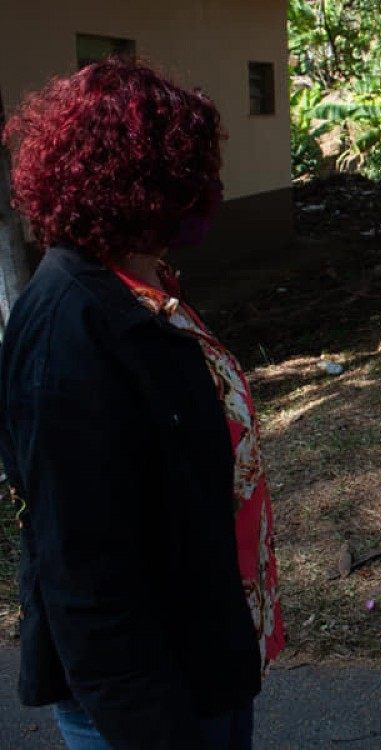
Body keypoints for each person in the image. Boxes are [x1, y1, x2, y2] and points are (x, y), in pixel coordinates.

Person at [0, 58, 283, 748]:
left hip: (201, 661)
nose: (208, 186)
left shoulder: (136, 283)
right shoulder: (70, 326)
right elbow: (81, 569)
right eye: (191, 168)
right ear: (140, 182)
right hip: (150, 704)